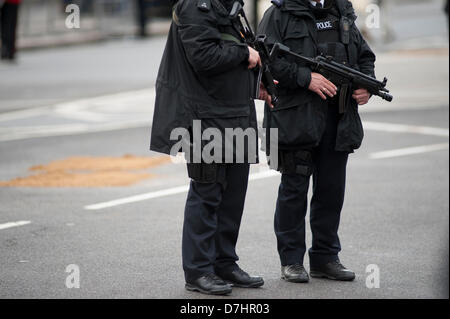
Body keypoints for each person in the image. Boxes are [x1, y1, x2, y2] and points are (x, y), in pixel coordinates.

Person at [150, 0, 271, 295]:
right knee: (207, 193)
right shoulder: (195, 6)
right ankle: (198, 271)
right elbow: (204, 57)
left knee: (233, 193)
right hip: (203, 116)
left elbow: (244, 51)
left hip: (236, 112)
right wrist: (245, 54)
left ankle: (223, 263)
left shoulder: (231, 5)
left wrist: (259, 78)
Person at [259, 0, 376, 283]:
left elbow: (364, 56)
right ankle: (291, 262)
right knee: (294, 190)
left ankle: (325, 258)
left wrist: (367, 85)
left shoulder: (341, 10)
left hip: (338, 118)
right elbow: (266, 60)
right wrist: (305, 78)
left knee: (331, 191)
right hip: (295, 118)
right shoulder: (279, 13)